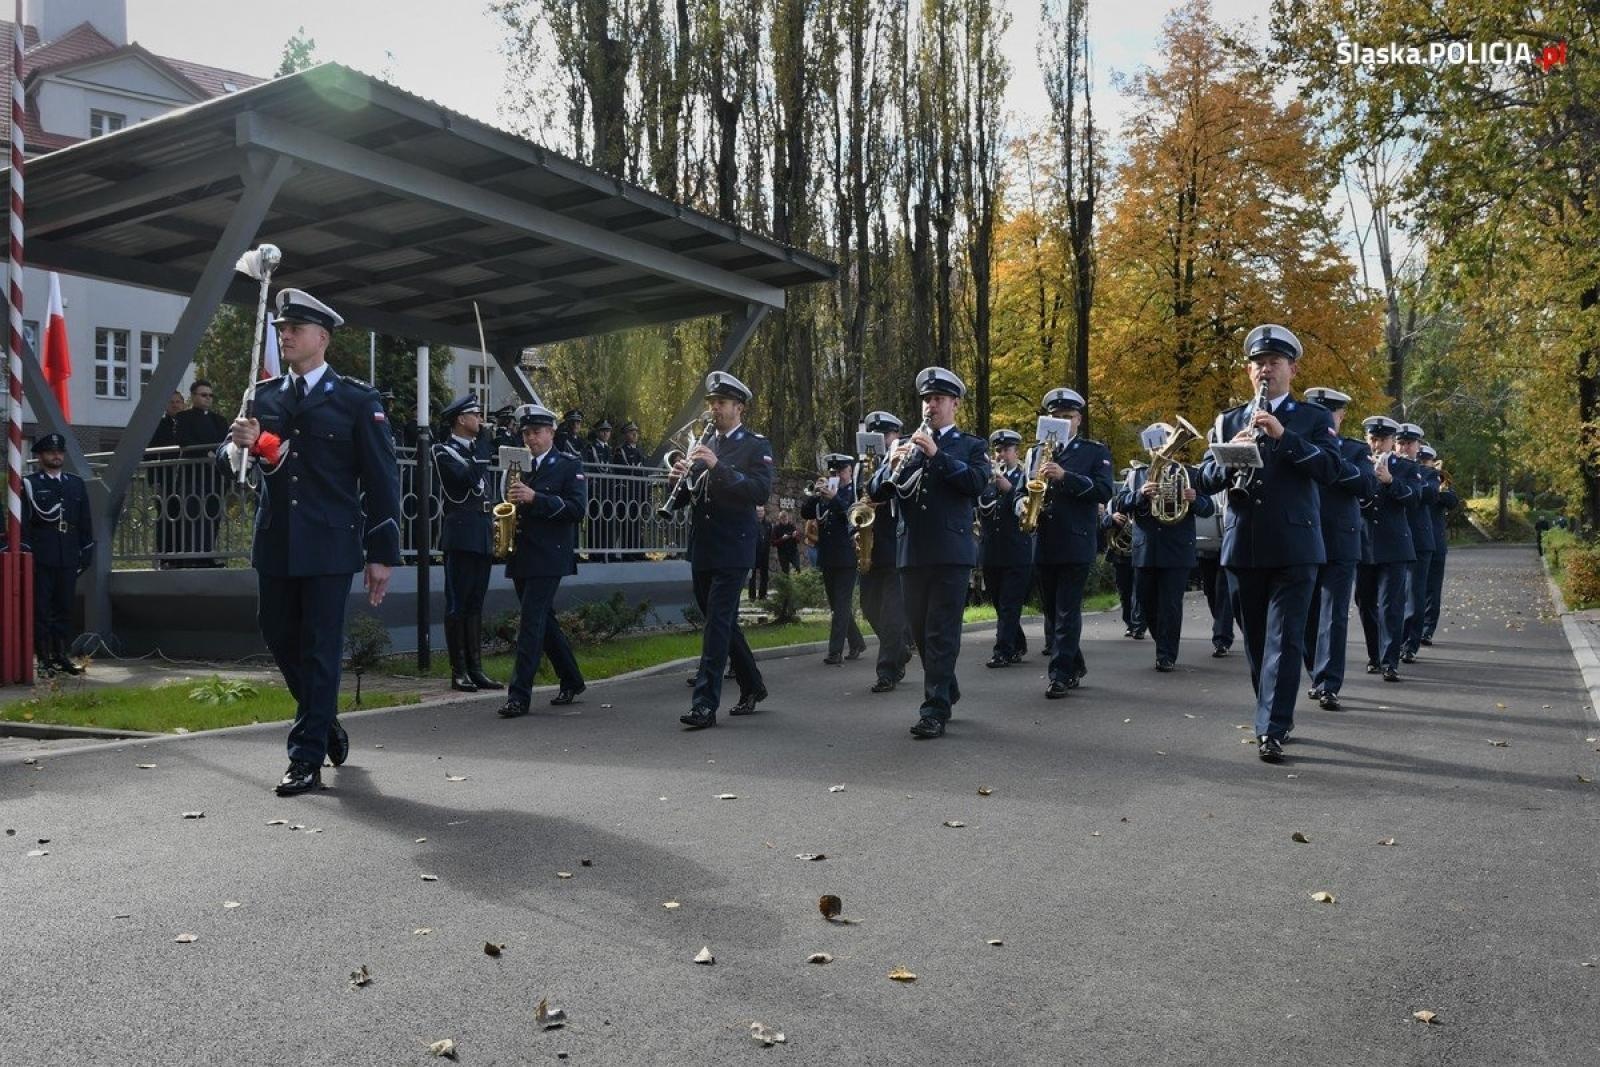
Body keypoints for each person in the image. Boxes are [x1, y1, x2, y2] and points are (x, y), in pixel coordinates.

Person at [222, 288, 401, 797]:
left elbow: (382, 479)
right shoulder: (264, 396)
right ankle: (324, 723)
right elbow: (227, 455)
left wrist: (382, 553)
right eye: (281, 330)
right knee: (279, 635)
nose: (285, 336)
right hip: (276, 540)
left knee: (320, 649)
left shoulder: (355, 399)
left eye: (294, 330)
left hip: (329, 544)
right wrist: (242, 446)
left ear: (322, 338)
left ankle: (304, 759)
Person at [1194, 324, 1339, 763]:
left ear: (1291, 369)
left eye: (1273, 363)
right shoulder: (1228, 419)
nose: (1265, 371)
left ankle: (1271, 727)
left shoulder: (1313, 419)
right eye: (1258, 364)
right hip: (1243, 545)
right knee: (1256, 641)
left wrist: (1283, 436)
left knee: (1285, 639)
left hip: (1295, 546)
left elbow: (1331, 471)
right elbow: (1204, 479)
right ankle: (1272, 711)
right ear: (1247, 371)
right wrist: (1228, 453)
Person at [869, 366, 989, 739]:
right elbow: (877, 491)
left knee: (940, 633)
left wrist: (937, 455)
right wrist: (888, 463)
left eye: (937, 399)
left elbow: (976, 484)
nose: (930, 405)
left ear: (954, 404)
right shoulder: (905, 443)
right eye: (926, 399)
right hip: (911, 550)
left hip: (951, 551)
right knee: (920, 632)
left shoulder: (971, 446)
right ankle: (946, 687)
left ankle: (933, 709)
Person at [671, 372, 774, 728]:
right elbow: (691, 494)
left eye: (722, 403)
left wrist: (718, 466)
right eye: (712, 403)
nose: (714, 409)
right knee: (721, 620)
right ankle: (753, 685)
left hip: (734, 546)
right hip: (703, 545)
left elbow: (759, 491)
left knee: (716, 624)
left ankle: (704, 704)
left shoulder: (755, 445)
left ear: (739, 407)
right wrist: (679, 482)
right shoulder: (704, 441)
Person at [498, 403, 589, 717]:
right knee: (543, 621)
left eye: (536, 432)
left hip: (550, 556)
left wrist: (537, 498)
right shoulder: (517, 464)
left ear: (551, 432)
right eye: (526, 432)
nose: (531, 438)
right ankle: (572, 678)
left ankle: (519, 695)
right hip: (521, 553)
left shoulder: (567, 464)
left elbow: (578, 509)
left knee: (530, 623)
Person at [1023, 387, 1114, 700]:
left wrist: (1065, 476)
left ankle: (1060, 674)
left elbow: (1103, 491)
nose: (1060, 421)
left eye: (1066, 417)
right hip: (1044, 540)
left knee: (1066, 611)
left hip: (1076, 541)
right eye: (1054, 417)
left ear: (1078, 420)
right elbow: (1026, 490)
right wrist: (1022, 505)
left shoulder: (1094, 450)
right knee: (1051, 610)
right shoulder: (1036, 452)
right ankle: (1074, 664)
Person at [1300, 387, 1377, 710]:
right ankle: (1315, 672)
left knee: (1334, 615)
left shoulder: (1355, 450)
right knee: (1305, 614)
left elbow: (1368, 485)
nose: (1322, 418)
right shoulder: (1298, 445)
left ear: (1341, 416)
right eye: (1316, 412)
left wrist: (1329, 462)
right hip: (1303, 537)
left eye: (1329, 413)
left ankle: (1329, 683)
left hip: (1341, 540)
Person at [1117, 423, 1215, 672]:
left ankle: (1166, 654)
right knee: (1147, 603)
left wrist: (1194, 499)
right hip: (1146, 548)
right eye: (1155, 444)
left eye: (1165, 442)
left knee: (1171, 605)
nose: (1160, 449)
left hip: (1177, 549)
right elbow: (1119, 502)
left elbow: (1208, 508)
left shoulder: (1190, 473)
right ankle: (1162, 642)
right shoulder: (1137, 475)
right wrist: (1139, 494)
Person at [432, 394, 501, 694]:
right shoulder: (443, 451)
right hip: (460, 533)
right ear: (461, 419)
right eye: (475, 414)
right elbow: (465, 479)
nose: (480, 420)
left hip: (482, 530)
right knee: (457, 603)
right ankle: (458, 671)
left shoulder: (476, 451)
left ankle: (476, 668)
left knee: (476, 603)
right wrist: (484, 445)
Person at [21, 433, 94, 676]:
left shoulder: (74, 483)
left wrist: (87, 548)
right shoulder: (30, 484)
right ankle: (43, 659)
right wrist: (26, 551)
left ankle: (60, 655)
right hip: (43, 553)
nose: (56, 455)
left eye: (59, 452)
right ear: (40, 456)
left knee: (64, 606)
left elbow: (84, 521)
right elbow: (24, 523)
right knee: (42, 609)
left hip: (68, 552)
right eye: (51, 452)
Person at [1354, 415, 1415, 682]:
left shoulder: (1404, 467)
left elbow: (1413, 499)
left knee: (1391, 605)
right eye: (1373, 439)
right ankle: (1374, 656)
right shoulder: (1356, 462)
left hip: (1394, 545)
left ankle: (1390, 661)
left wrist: (1390, 481)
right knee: (1365, 603)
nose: (1377, 444)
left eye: (1382, 439)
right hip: (1362, 544)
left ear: (1392, 441)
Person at [859, 411, 913, 692]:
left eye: (886, 435)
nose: (880, 440)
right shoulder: (861, 466)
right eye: (875, 435)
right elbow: (856, 501)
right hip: (869, 546)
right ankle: (899, 649)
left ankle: (887, 671)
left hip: (896, 545)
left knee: (892, 613)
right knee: (868, 608)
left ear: (895, 436)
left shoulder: (904, 459)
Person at [803, 453, 868, 664]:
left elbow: (853, 516)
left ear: (849, 471)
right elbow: (805, 513)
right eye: (833, 472)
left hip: (848, 556)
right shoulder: (825, 494)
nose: (836, 475)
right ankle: (857, 642)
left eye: (840, 471)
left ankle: (835, 652)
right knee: (837, 605)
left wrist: (835, 498)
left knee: (841, 605)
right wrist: (816, 495)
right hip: (828, 556)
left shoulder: (854, 493)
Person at [979, 429, 1033, 668]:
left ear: (1016, 452)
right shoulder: (987, 480)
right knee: (1000, 603)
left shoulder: (1026, 477)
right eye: (998, 450)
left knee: (1010, 603)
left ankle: (1003, 650)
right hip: (991, 551)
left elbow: (1028, 508)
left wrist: (1009, 489)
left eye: (1006, 450)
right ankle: (1017, 643)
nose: (1001, 455)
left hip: (1016, 550)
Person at [172, 379, 231, 568]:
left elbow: (226, 441)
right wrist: (206, 452)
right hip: (192, 476)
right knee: (192, 516)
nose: (208, 399)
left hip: (213, 478)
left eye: (210, 395)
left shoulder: (218, 420)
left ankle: (207, 557)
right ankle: (190, 558)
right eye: (203, 395)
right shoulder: (184, 417)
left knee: (212, 516)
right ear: (194, 396)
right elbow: (184, 441)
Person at [1394, 423, 1436, 663]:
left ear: (1418, 446)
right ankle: (1390, 641)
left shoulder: (1427, 473)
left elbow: (1428, 494)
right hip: (1392, 539)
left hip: (1418, 540)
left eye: (1409, 443)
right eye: (1400, 442)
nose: (1404, 447)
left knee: (1413, 594)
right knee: (1391, 596)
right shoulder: (1385, 467)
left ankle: (1409, 643)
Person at [1419, 443, 1459, 645]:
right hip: (1415, 541)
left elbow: (1452, 501)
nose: (1422, 465)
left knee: (1432, 590)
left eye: (1426, 462)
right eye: (1421, 461)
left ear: (1432, 463)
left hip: (1435, 543)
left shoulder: (1439, 481)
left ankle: (1427, 630)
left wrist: (1437, 487)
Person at [1103, 468, 1147, 640]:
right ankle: (1129, 622)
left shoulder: (1144, 498)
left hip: (1139, 550)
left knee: (1140, 590)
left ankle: (1138, 625)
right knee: (1124, 591)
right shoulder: (1115, 502)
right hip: (1120, 553)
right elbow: (1102, 523)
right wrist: (1111, 518)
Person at [147, 390, 184, 565]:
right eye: (172, 402)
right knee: (166, 517)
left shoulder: (187, 423)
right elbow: (149, 453)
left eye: (178, 401)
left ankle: (182, 555)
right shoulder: (157, 425)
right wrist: (155, 482)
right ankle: (165, 556)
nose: (175, 405)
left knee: (185, 516)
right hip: (165, 479)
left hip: (185, 480)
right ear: (165, 406)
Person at [748, 504, 773, 601]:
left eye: (761, 511)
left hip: (764, 553)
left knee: (764, 575)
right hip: (753, 553)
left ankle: (762, 595)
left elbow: (769, 538)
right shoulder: (751, 523)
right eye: (758, 511)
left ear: (764, 512)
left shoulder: (768, 524)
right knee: (752, 576)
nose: (760, 513)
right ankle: (752, 596)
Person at [773, 509, 802, 574]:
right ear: (779, 519)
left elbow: (798, 541)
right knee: (785, 572)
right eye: (783, 520)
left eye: (786, 519)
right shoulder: (776, 528)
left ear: (788, 518)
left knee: (797, 568)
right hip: (782, 553)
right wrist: (782, 539)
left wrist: (795, 536)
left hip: (793, 551)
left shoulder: (792, 526)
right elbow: (773, 543)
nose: (785, 521)